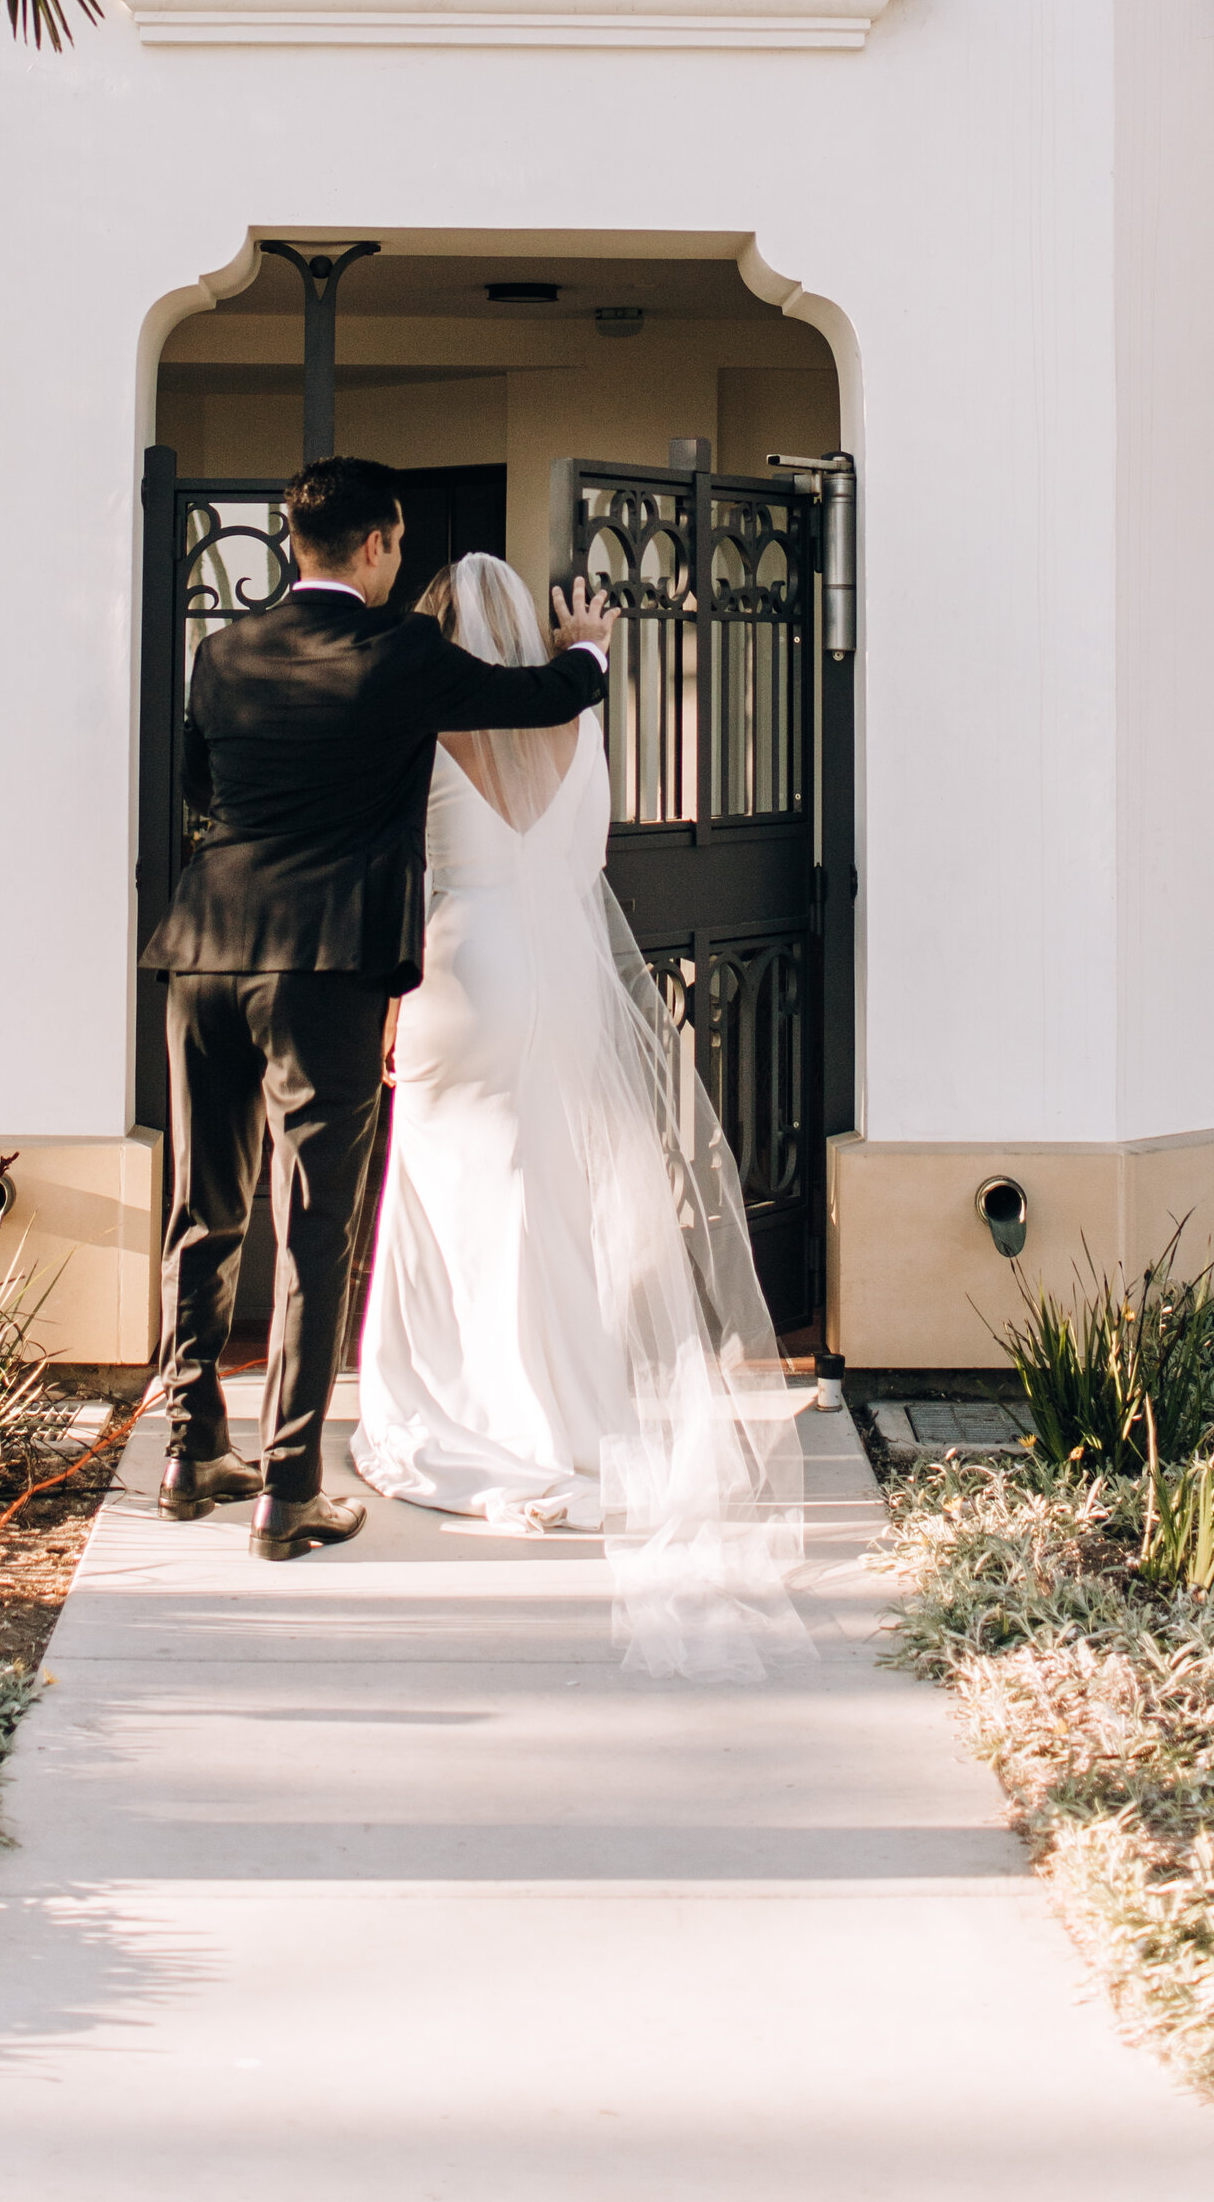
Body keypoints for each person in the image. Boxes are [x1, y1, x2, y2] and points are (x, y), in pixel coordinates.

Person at [149, 458, 614, 1563]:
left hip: (205, 948)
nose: (398, 562)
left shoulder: (222, 652)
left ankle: (188, 1447)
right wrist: (586, 647)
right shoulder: (399, 653)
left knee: (201, 1206)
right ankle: (288, 1488)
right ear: (374, 546)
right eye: (396, 546)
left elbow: (199, 788)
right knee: (316, 1219)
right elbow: (539, 699)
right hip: (326, 964)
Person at [353, 552, 806, 1678]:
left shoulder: (431, 720)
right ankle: (565, 1421)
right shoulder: (575, 719)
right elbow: (587, 854)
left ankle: (469, 1420)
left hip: (459, 971)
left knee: (449, 1195)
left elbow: (403, 861)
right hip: (554, 980)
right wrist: (583, 654)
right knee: (548, 1196)